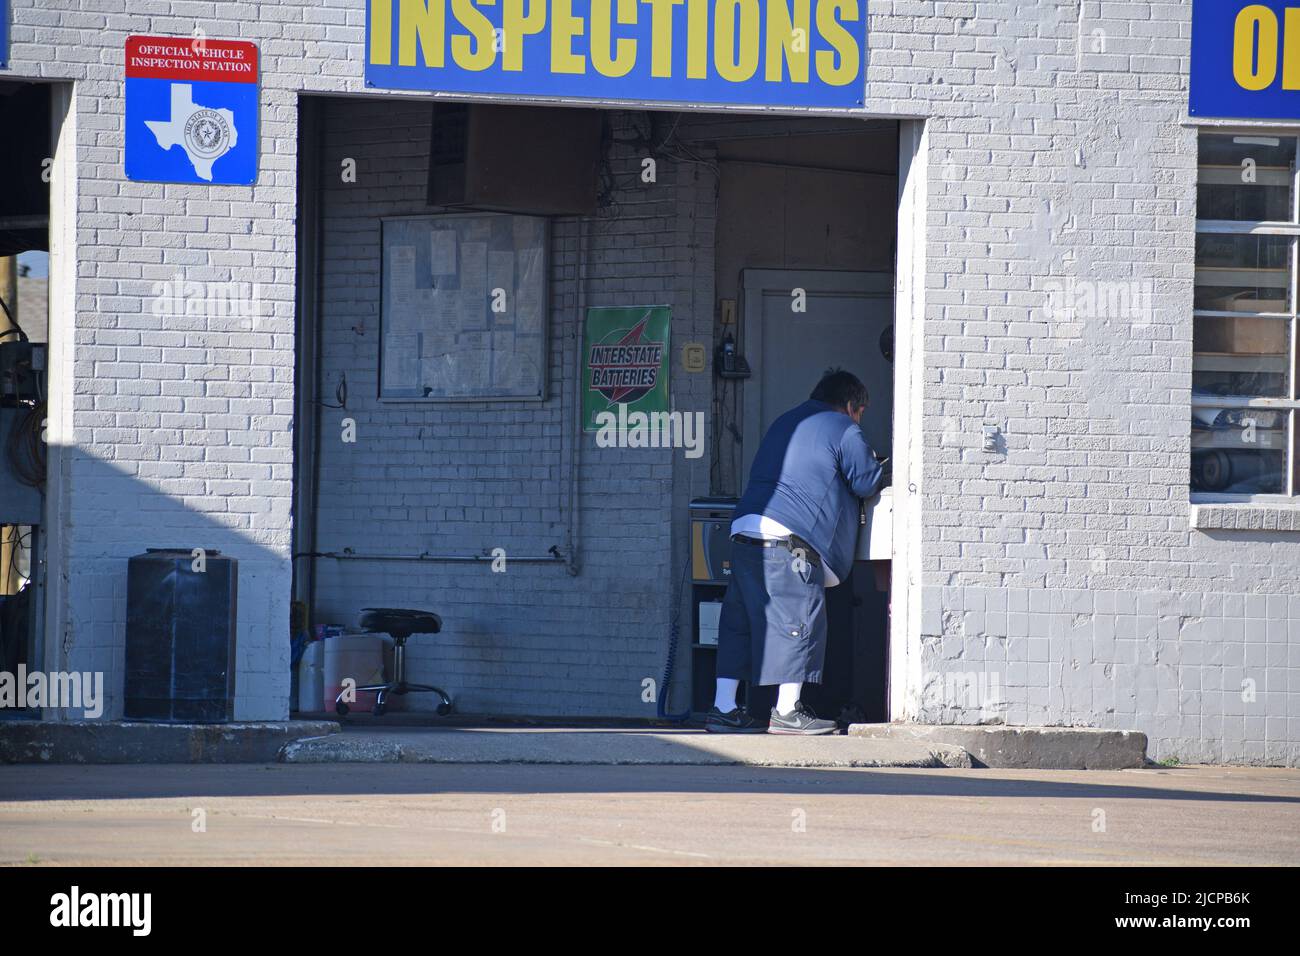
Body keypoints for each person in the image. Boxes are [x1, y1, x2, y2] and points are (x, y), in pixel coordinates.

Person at [706, 369, 885, 735]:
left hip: (744, 532)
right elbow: (866, 480)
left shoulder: (784, 422)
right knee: (798, 620)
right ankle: (787, 711)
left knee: (739, 625)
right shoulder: (843, 427)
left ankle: (724, 708)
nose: (860, 419)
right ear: (851, 405)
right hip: (790, 541)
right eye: (861, 411)